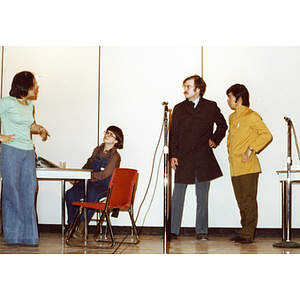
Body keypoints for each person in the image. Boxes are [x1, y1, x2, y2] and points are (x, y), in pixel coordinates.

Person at [169, 75, 228, 241]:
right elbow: (174, 135)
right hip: (183, 158)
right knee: (177, 194)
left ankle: (202, 231)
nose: (185, 90)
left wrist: (215, 140)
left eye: (188, 87)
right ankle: (173, 230)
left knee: (202, 196)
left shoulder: (210, 106)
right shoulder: (179, 108)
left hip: (203, 158)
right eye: (185, 86)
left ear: (198, 89)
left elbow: (223, 125)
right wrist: (173, 155)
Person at [0, 71, 50, 247]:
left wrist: (40, 128)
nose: (36, 87)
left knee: (29, 193)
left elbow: (29, 125)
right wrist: (1, 137)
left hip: (28, 152)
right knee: (11, 193)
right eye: (33, 85)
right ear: (23, 87)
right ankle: (13, 237)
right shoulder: (7, 103)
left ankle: (29, 237)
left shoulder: (29, 105)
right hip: (10, 152)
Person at [226, 84, 272, 244]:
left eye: (230, 97)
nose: (228, 100)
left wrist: (251, 148)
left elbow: (266, 135)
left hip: (247, 166)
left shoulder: (251, 116)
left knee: (248, 201)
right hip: (235, 166)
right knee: (241, 202)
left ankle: (247, 235)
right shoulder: (233, 117)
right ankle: (244, 231)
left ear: (238, 99)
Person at [65, 125, 123, 238]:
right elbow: (88, 165)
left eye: (111, 134)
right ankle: (72, 224)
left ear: (116, 141)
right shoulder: (97, 150)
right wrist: (78, 178)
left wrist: (87, 176)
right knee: (70, 194)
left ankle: (81, 226)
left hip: (104, 185)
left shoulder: (116, 156)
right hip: (90, 182)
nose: (107, 135)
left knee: (91, 195)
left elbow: (105, 174)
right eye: (107, 132)